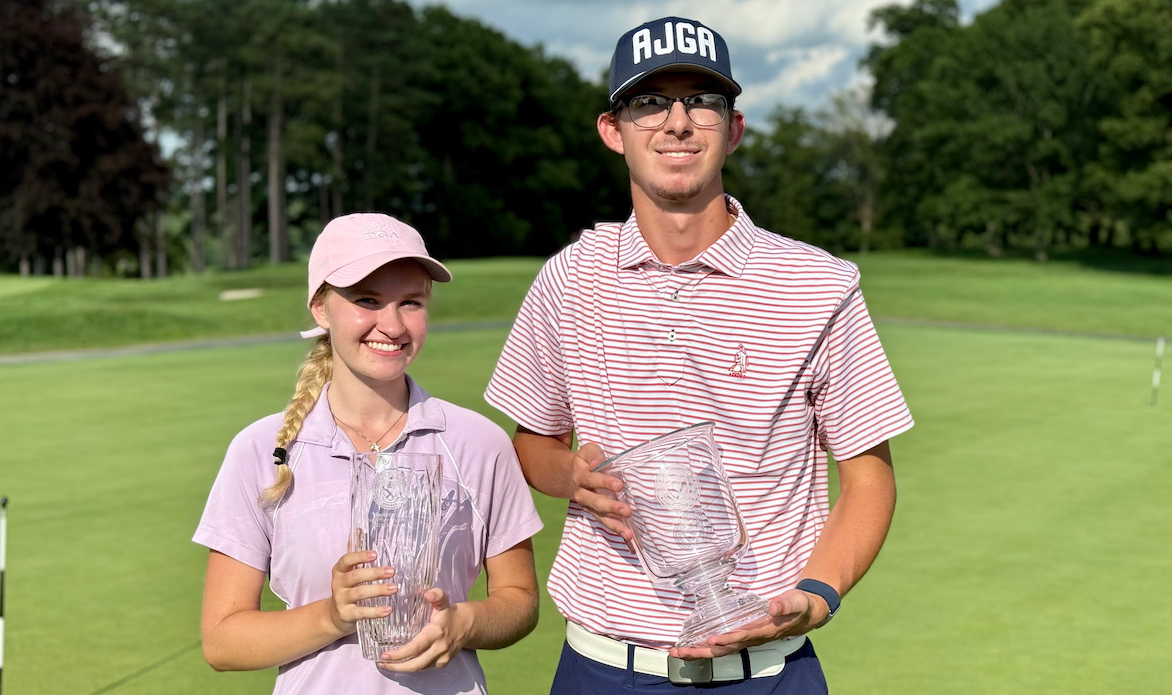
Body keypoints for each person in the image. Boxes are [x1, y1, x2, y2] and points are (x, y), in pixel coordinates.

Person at [485, 16, 913, 694]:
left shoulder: (818, 284)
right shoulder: (570, 277)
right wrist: (571, 474)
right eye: (650, 101)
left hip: (768, 668)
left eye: (702, 101)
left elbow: (869, 477)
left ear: (733, 128)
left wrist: (820, 591)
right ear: (612, 130)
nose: (677, 121)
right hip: (603, 666)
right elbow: (533, 441)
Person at [194, 213, 543, 695]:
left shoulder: (478, 441)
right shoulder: (261, 449)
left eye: (411, 302)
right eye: (367, 301)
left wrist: (464, 623)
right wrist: (332, 616)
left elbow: (519, 601)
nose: (393, 325)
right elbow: (222, 642)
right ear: (320, 307)